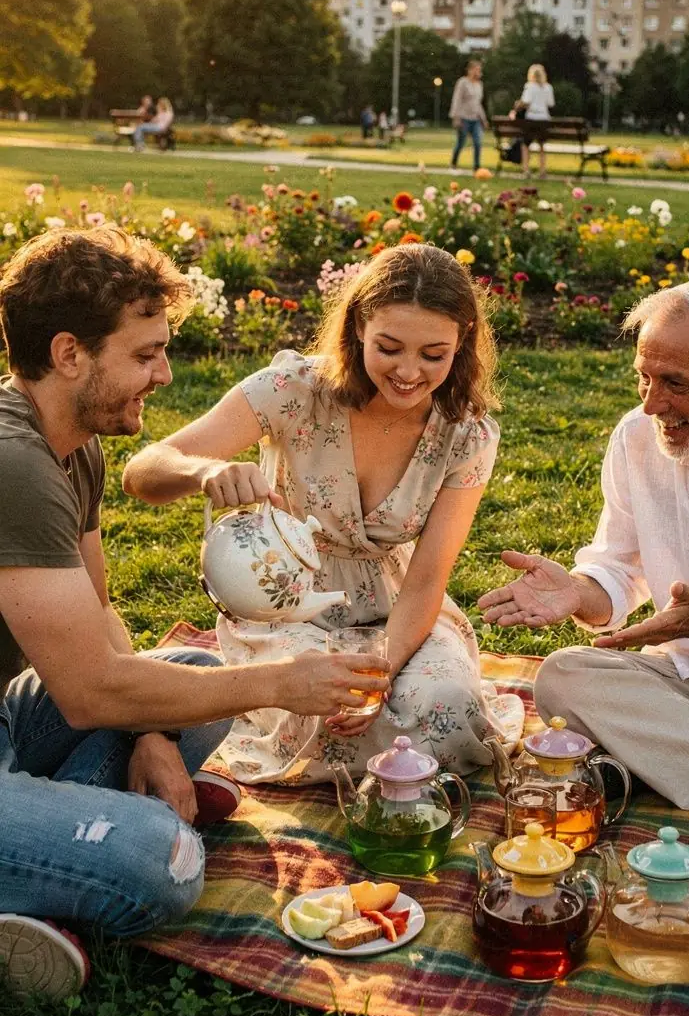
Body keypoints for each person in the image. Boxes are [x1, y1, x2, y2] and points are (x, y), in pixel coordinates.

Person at [0, 227, 389, 999]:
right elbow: (88, 692)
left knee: (193, 678)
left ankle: (55, 846)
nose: (165, 374)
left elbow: (103, 619)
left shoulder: (74, 447)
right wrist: (283, 683)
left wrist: (151, 733)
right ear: (70, 353)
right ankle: (67, 859)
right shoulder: (12, 464)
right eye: (144, 355)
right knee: (161, 864)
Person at [124, 244, 503, 786]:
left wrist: (383, 673)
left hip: (396, 609)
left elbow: (426, 580)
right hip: (286, 604)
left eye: (433, 355)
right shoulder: (291, 390)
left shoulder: (468, 433)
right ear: (357, 328)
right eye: (389, 348)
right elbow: (142, 471)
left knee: (446, 704)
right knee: (316, 706)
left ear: (461, 343)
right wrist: (202, 473)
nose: (409, 372)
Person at [479, 279, 689, 831]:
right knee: (564, 677)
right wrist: (578, 592)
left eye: (675, 384)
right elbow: (617, 568)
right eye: (644, 376)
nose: (651, 403)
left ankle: (663, 761)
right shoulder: (637, 438)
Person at [514, 64, 555, 178]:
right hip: (544, 119)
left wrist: (518, 105)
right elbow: (551, 103)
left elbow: (526, 101)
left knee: (526, 145)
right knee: (541, 145)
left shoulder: (530, 86)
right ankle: (542, 170)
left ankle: (526, 169)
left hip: (531, 118)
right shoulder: (548, 87)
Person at [449, 61, 489, 173]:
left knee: (478, 142)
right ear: (470, 70)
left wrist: (484, 119)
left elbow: (478, 103)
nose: (479, 72)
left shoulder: (479, 85)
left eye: (479, 70)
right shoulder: (462, 82)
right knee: (461, 142)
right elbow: (456, 100)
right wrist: (455, 117)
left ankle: (477, 167)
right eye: (476, 69)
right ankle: (453, 164)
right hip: (463, 117)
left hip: (475, 118)